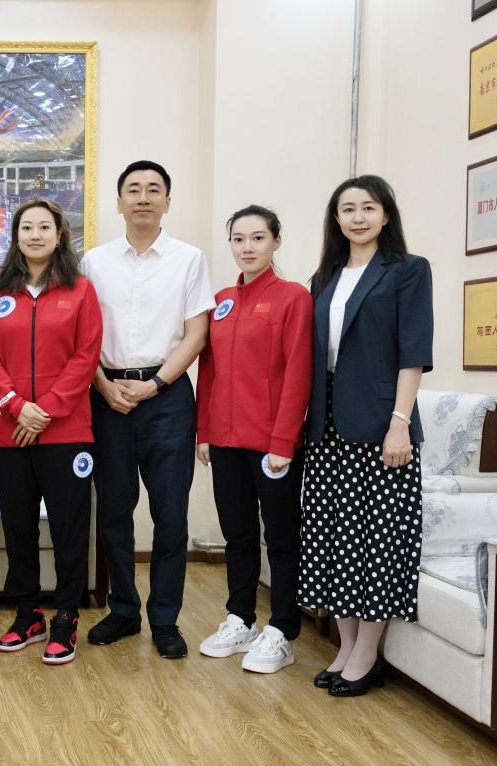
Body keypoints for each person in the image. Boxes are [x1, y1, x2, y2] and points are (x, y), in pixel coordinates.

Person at [299, 175, 432, 696]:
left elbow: (412, 353)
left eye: (368, 207)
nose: (358, 217)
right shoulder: (324, 278)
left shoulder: (408, 270)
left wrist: (400, 422)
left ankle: (367, 653)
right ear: (336, 219)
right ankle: (345, 646)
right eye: (348, 209)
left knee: (375, 539)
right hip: (327, 422)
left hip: (380, 425)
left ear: (386, 214)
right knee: (334, 537)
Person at [80, 160, 214, 657]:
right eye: (133, 189)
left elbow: (197, 333)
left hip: (168, 397)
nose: (143, 197)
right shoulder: (94, 262)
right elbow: (82, 334)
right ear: (119, 203)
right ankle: (123, 610)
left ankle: (164, 618)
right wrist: (102, 384)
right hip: (108, 394)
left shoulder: (189, 259)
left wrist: (156, 384)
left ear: (167, 202)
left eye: (153, 189)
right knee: (114, 511)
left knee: (170, 513)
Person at [0, 198, 102, 665]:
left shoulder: (80, 291)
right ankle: (27, 613)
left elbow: (86, 355)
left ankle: (66, 616)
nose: (35, 235)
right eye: (26, 227)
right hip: (10, 432)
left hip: (67, 431)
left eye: (43, 227)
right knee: (18, 526)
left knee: (69, 527)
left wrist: (45, 410)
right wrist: (15, 406)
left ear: (59, 235)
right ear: (15, 236)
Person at [194, 205, 312, 673]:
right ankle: (240, 618)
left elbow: (298, 373)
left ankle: (282, 629)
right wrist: (204, 432)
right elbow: (209, 371)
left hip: (272, 445)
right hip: (224, 441)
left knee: (280, 536)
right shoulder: (221, 300)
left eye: (258, 238)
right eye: (239, 239)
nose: (247, 247)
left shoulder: (292, 297)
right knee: (237, 534)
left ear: (276, 242)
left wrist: (283, 441)